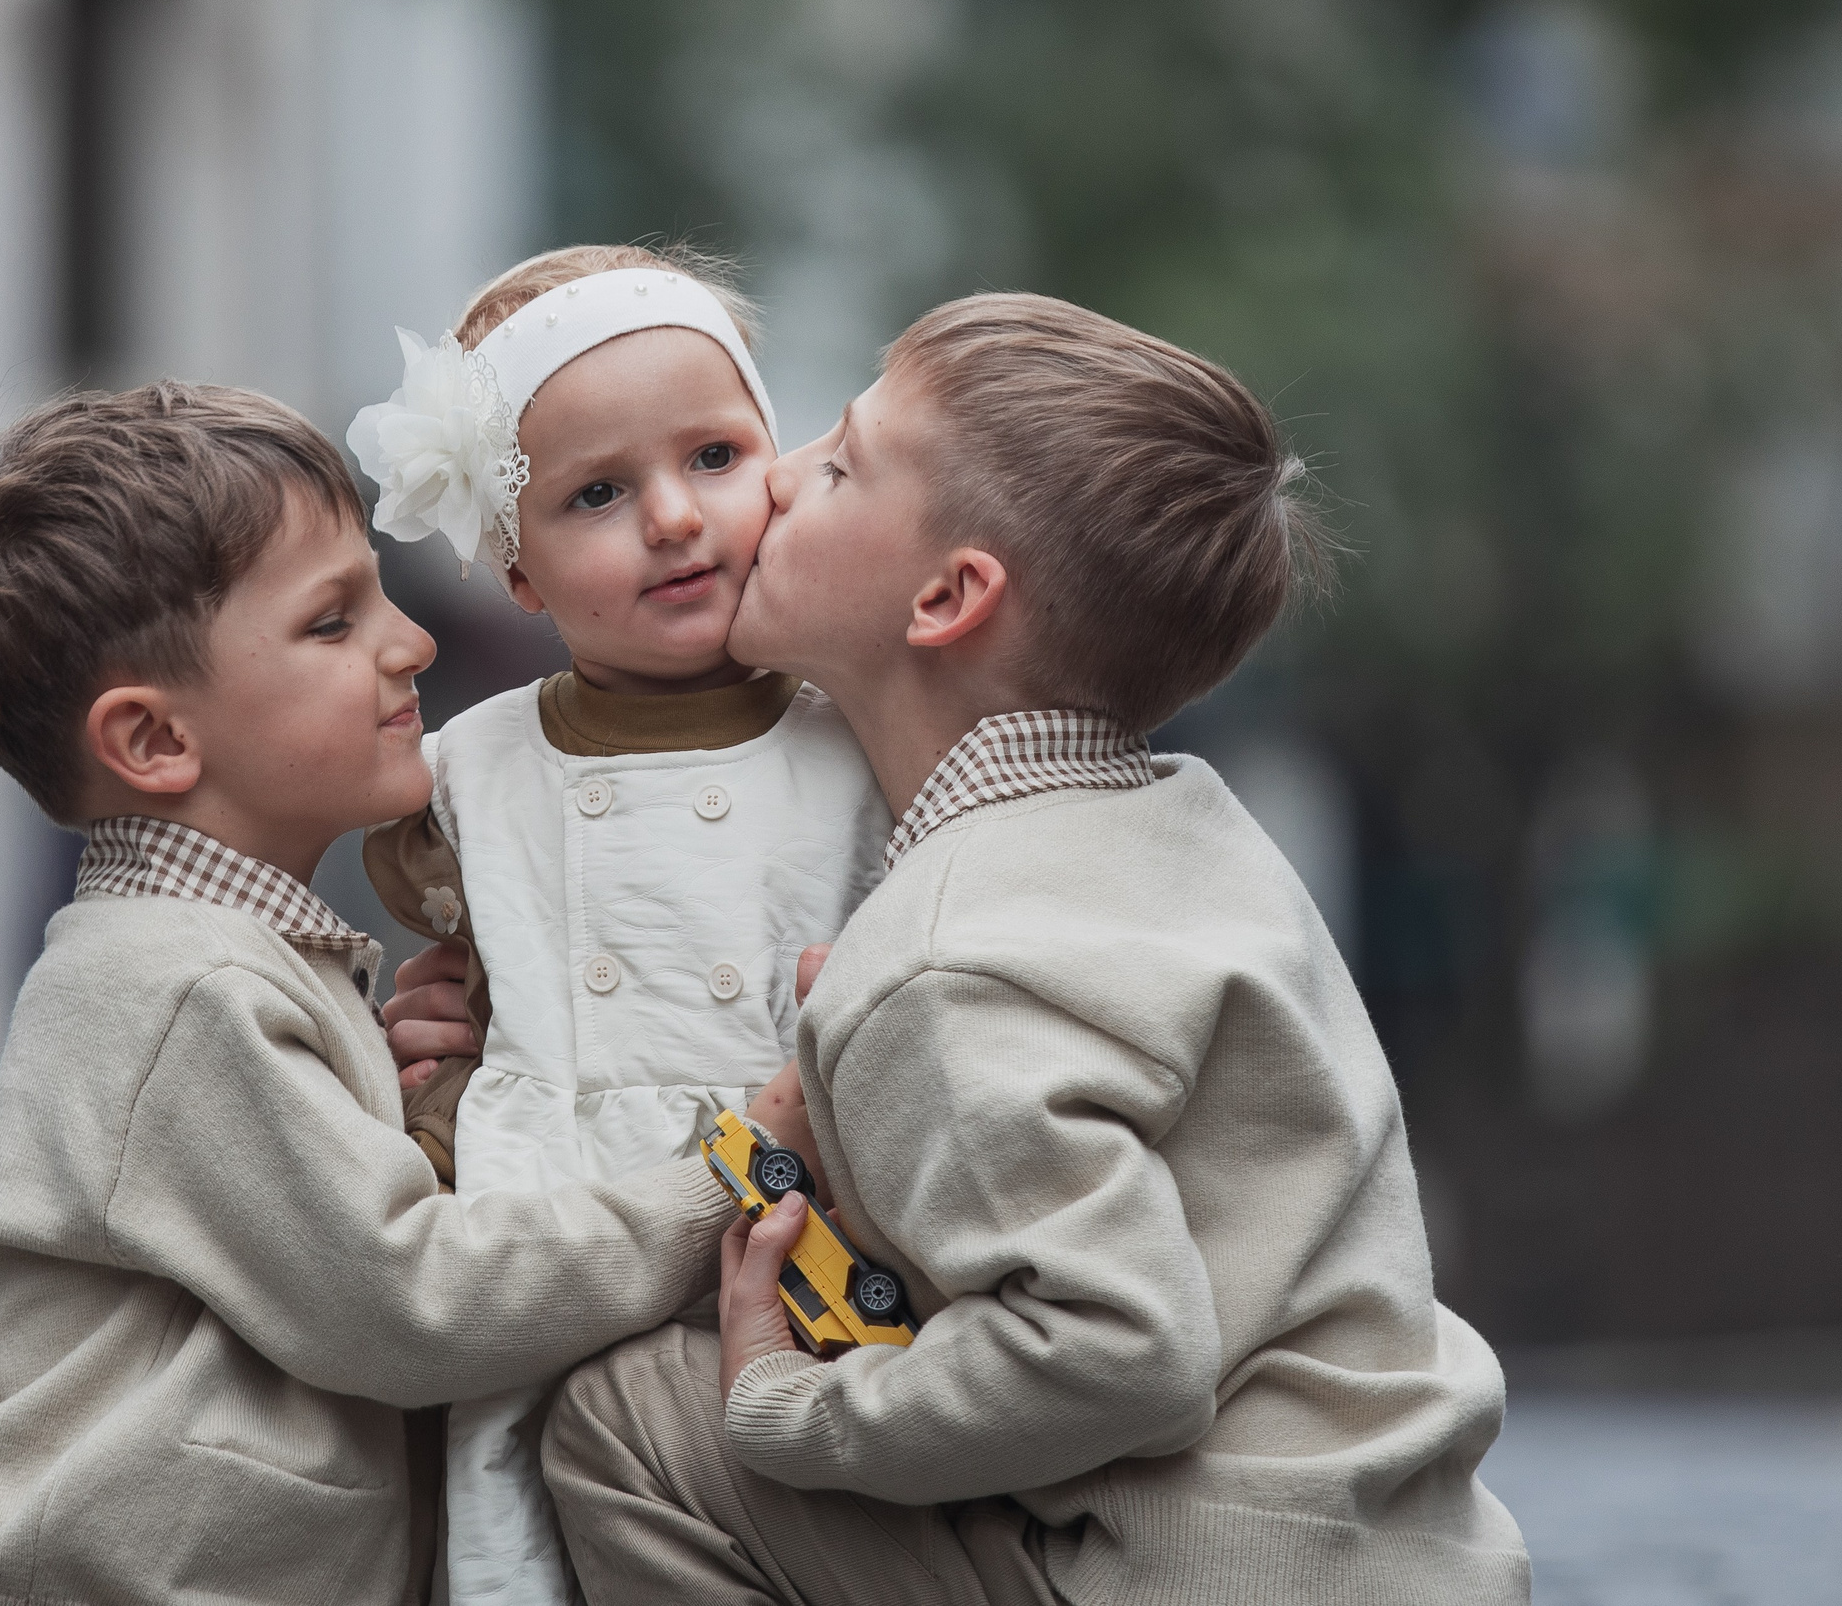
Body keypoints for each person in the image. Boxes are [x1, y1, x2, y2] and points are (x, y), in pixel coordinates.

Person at [540, 295, 1535, 1605]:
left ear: (948, 596)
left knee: (624, 1414)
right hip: (1403, 1556)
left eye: (838, 466)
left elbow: (1120, 1351)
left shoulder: (946, 956)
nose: (776, 477)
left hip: (1190, 1574)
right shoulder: (1191, 832)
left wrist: (794, 1407)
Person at [0, 382, 757, 1605]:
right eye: (333, 622)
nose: (411, 644)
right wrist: (729, 1179)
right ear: (154, 742)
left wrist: (410, 1108)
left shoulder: (224, 965)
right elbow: (412, 1303)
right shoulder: (177, 987)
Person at [347, 245, 890, 1606]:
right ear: (516, 568)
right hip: (560, 1221)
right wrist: (427, 1091)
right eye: (596, 493)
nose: (674, 517)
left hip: (814, 1224)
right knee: (539, 1539)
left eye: (714, 456)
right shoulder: (469, 775)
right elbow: (460, 1016)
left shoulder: (864, 736)